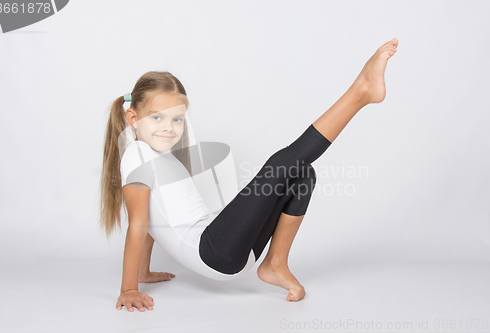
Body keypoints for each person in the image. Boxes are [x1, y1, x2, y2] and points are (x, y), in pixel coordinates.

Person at [99, 38, 399, 311]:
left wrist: (144, 272)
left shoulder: (156, 156)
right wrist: (129, 287)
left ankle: (275, 263)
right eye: (157, 117)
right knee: (283, 163)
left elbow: (152, 218)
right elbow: (138, 223)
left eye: (177, 118)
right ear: (132, 118)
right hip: (214, 252)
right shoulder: (137, 155)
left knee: (301, 174)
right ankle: (359, 93)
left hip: (226, 246)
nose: (169, 127)